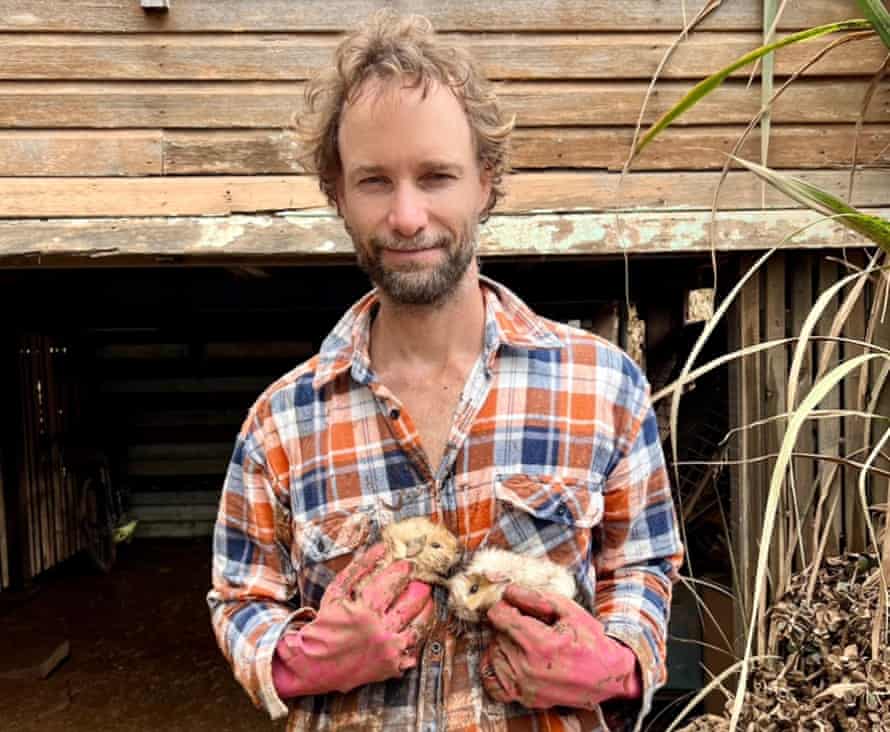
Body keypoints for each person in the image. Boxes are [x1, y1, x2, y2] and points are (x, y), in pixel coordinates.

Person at [208, 10, 684, 732]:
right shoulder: (281, 422)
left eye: (436, 176)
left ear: (485, 182)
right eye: (374, 181)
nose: (406, 215)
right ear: (337, 193)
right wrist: (298, 659)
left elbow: (641, 568)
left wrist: (617, 666)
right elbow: (240, 597)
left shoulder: (606, 387)